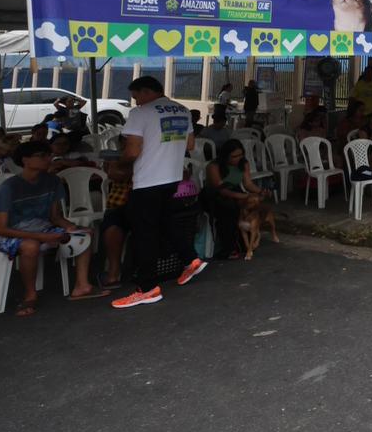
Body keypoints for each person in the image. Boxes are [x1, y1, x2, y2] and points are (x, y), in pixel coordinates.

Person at [110, 76, 207, 310]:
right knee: (165, 221)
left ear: (146, 91)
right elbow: (190, 145)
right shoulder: (182, 110)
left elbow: (132, 151)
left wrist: (119, 164)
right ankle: (190, 259)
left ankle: (147, 288)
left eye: (136, 96)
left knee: (145, 234)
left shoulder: (141, 113)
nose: (135, 102)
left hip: (148, 180)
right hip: (172, 178)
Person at [0, 140, 108, 315]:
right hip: (9, 233)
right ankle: (30, 295)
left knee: (83, 235)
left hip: (42, 228)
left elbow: (55, 217)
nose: (48, 159)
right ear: (25, 160)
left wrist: (71, 227)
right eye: (42, 156)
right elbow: (1, 229)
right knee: (30, 246)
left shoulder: (52, 181)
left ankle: (82, 285)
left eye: (49, 155)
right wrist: (43, 237)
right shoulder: (9, 187)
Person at [204, 139, 274, 260]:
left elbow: (248, 184)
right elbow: (221, 190)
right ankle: (229, 247)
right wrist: (243, 196)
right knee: (229, 209)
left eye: (241, 155)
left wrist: (260, 191)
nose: (238, 158)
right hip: (214, 194)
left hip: (234, 191)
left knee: (251, 206)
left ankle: (246, 241)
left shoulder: (243, 163)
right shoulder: (213, 166)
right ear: (226, 155)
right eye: (234, 156)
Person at [98, 146, 132, 289]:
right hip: (120, 205)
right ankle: (113, 272)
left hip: (143, 202)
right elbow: (114, 174)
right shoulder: (120, 159)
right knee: (113, 225)